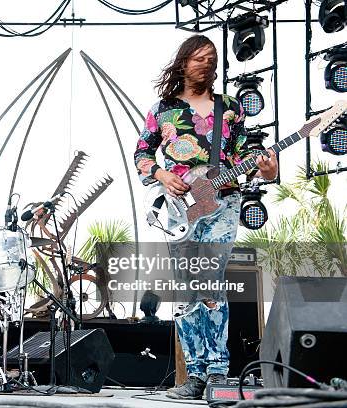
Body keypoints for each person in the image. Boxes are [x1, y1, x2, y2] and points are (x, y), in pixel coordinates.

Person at [133, 35, 277, 400]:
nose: (207, 64)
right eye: (199, 58)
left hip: (224, 205)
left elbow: (247, 152)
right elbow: (142, 155)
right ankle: (194, 375)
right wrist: (163, 175)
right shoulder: (162, 110)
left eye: (212, 58)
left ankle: (217, 371)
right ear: (183, 63)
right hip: (179, 211)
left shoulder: (229, 108)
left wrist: (266, 166)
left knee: (210, 283)